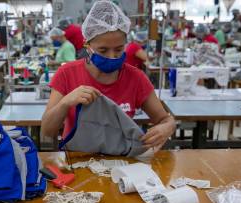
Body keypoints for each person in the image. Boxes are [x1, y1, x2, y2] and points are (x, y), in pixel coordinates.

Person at [41, 0, 176, 153]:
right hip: (77, 161)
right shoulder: (66, 74)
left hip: (122, 163)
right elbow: (47, 131)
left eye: (118, 50)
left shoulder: (136, 78)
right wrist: (65, 103)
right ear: (87, 45)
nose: (112, 57)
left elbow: (164, 119)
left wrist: (168, 126)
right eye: (103, 50)